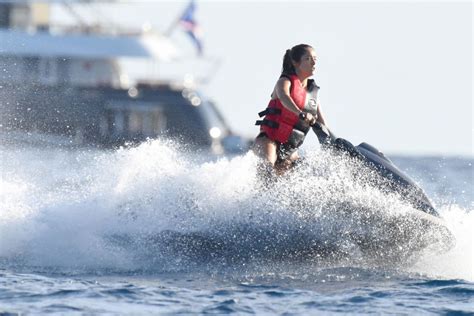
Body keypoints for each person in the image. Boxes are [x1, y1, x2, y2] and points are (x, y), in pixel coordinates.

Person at [253, 44, 328, 175]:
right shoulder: (284, 81)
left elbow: (323, 125)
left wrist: (333, 143)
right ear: (295, 62)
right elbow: (284, 97)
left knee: (296, 177)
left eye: (315, 58)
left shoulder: (313, 96)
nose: (314, 62)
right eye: (308, 59)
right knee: (267, 171)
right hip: (269, 139)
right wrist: (300, 113)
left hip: (290, 148)